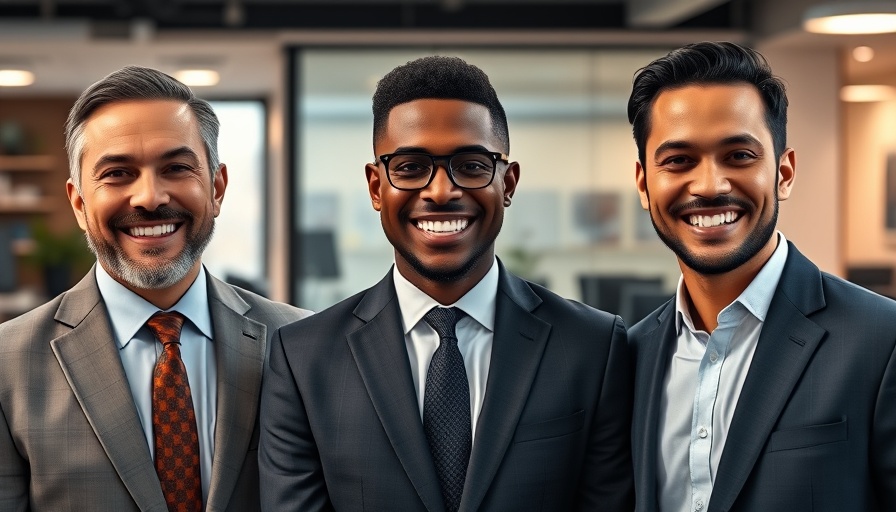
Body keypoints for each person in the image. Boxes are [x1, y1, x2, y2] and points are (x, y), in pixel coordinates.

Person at [259, 55, 634, 511]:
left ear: (508, 183)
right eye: (410, 167)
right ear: (376, 187)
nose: (440, 192)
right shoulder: (303, 358)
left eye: (472, 165)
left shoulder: (593, 347)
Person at [0, 66, 311, 511]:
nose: (150, 197)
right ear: (79, 203)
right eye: (117, 173)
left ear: (217, 187)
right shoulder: (8, 365)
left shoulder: (301, 344)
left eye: (176, 168)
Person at [626, 41, 896, 512]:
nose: (710, 185)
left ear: (783, 173)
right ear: (644, 184)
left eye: (739, 156)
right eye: (679, 160)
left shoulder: (881, 340)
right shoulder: (629, 356)